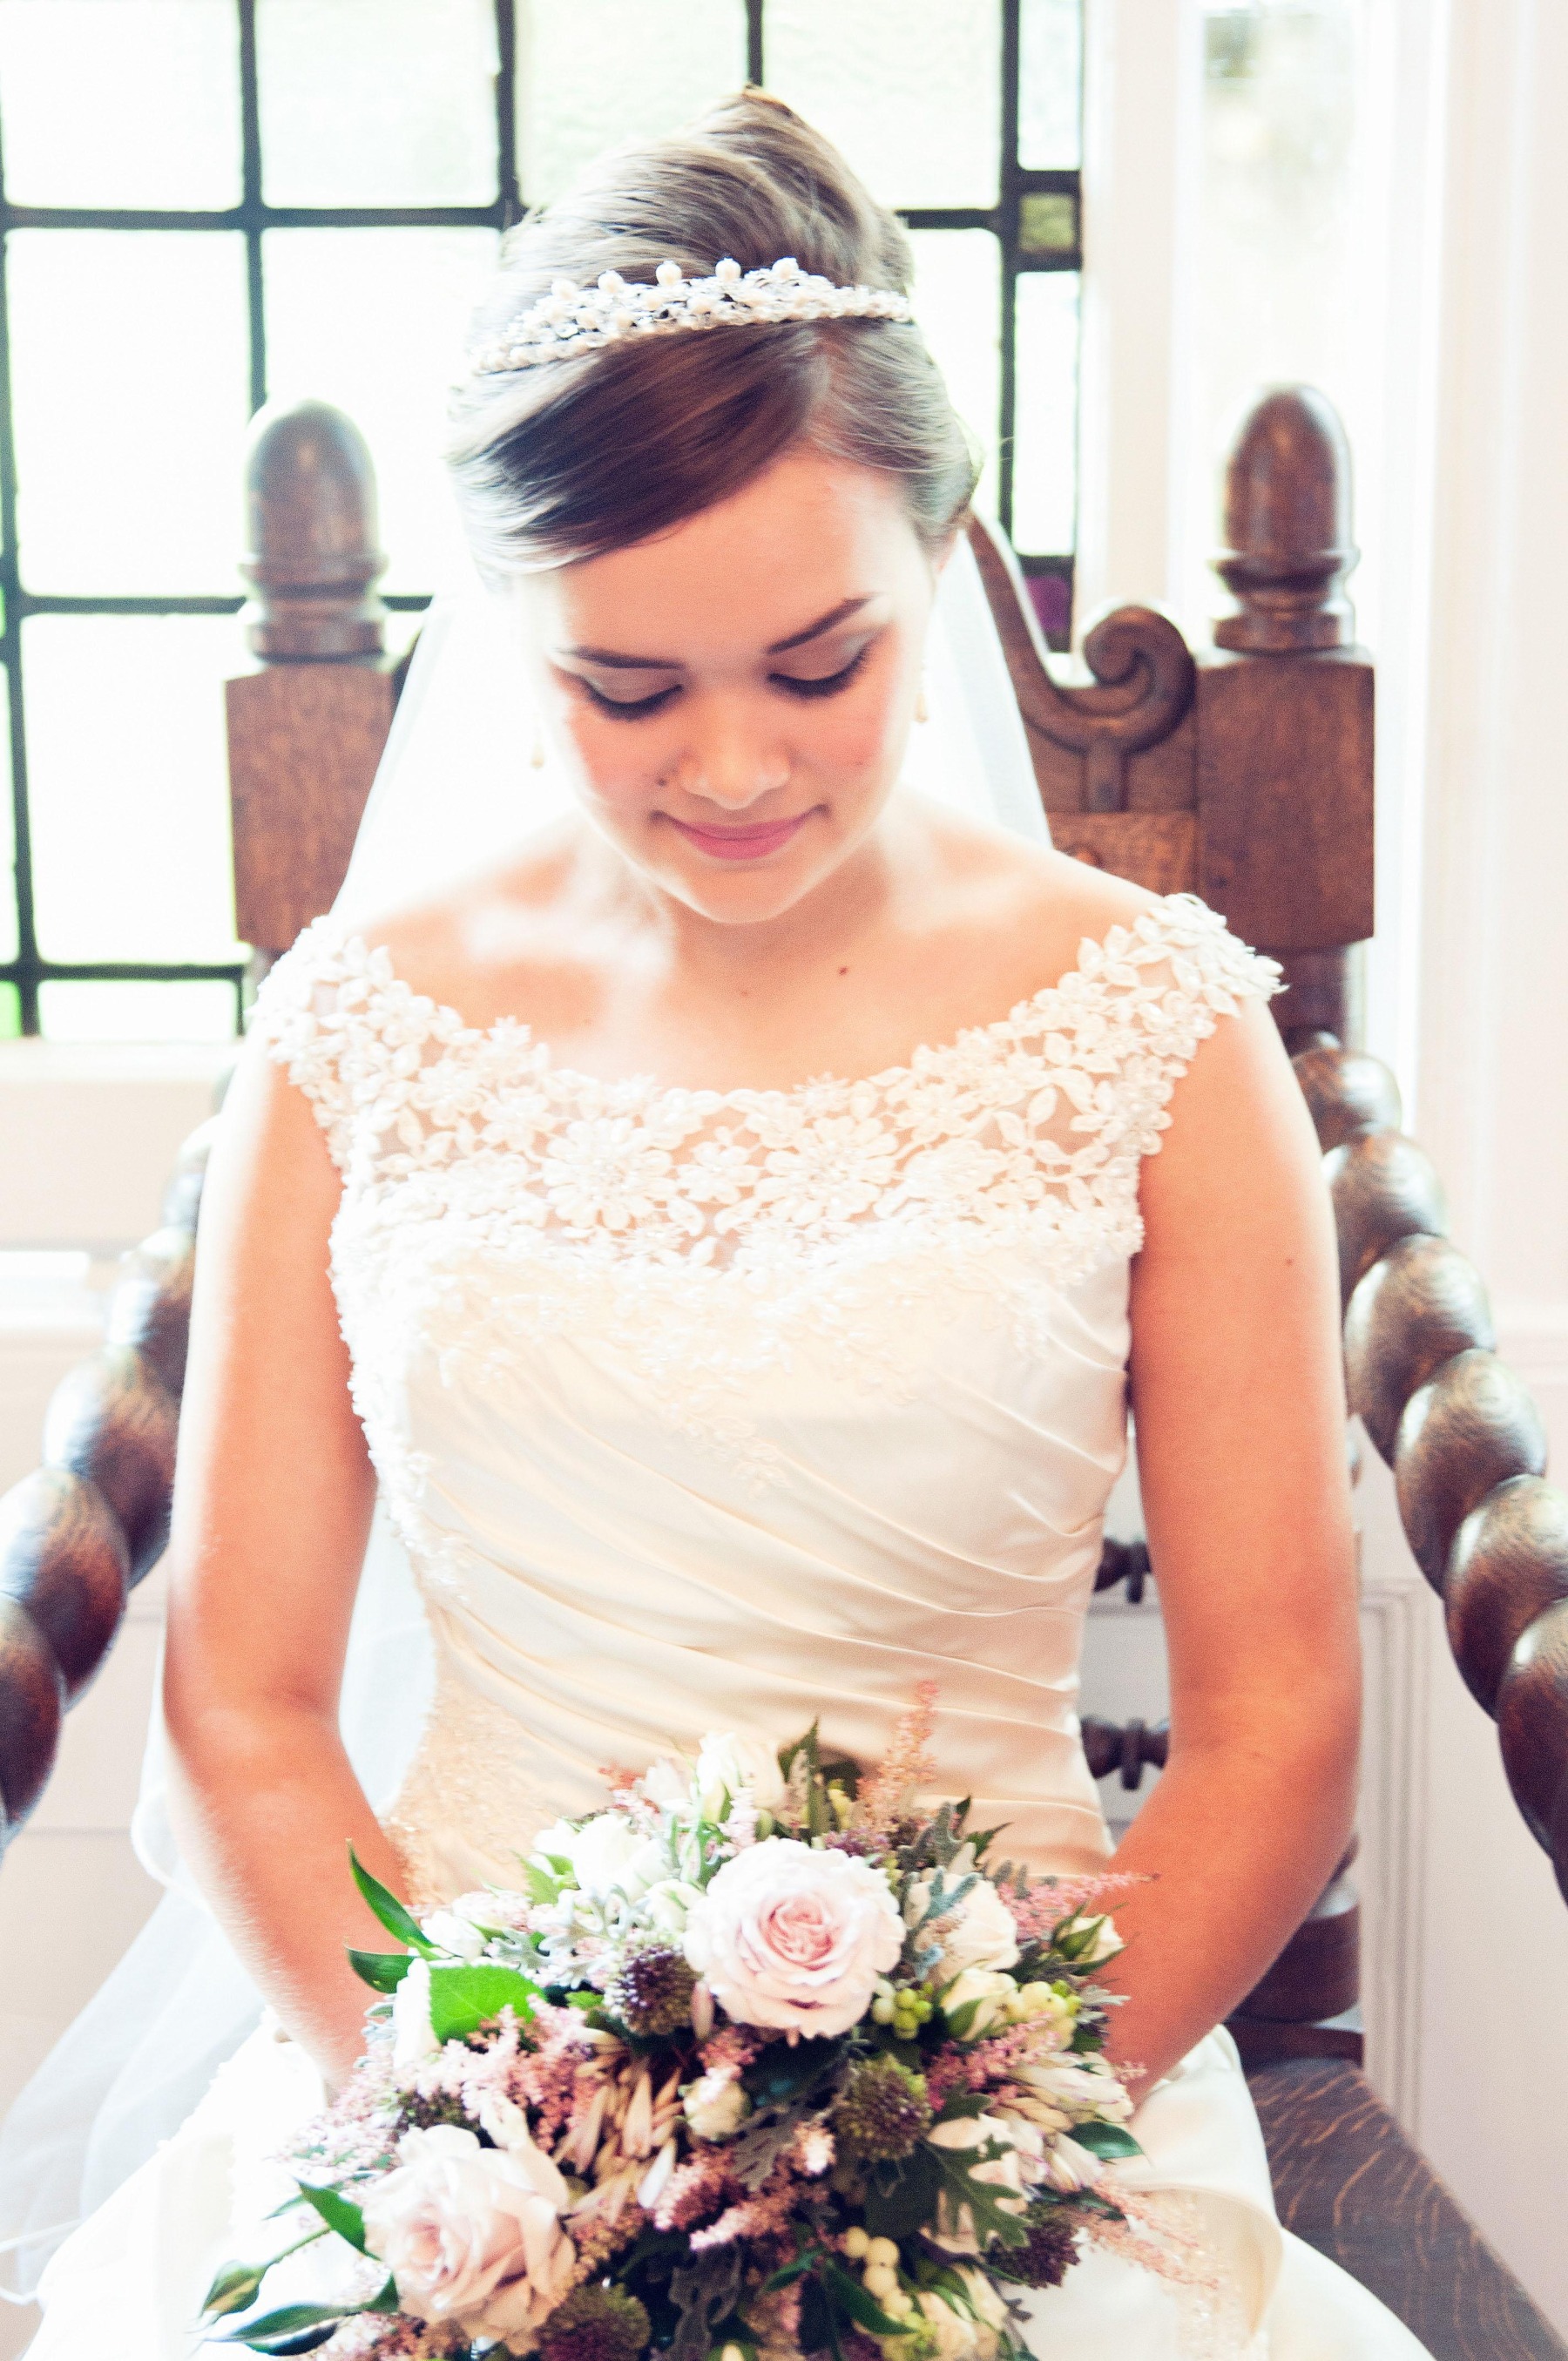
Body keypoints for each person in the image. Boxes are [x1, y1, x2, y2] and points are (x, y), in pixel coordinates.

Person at [11, 91, 1427, 2359]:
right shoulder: (356, 1032)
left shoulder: (1157, 1028)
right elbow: (251, 1708)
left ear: (948, 557)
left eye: (819, 664)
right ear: (514, 631)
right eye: (628, 687)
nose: (739, 766)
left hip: (1029, 2084)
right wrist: (508, 2122)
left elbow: (1277, 1711)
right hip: (459, 2081)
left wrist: (962, 2130)